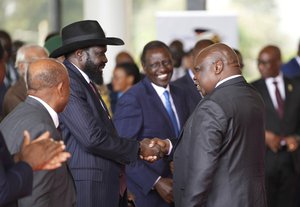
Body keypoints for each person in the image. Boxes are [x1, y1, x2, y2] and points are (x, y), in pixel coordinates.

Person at [49, 20, 163, 207]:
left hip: (104, 184)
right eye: (100, 53)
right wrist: (138, 148)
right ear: (79, 54)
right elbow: (92, 138)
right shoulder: (69, 83)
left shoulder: (84, 81)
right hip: (90, 188)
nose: (105, 59)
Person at [153, 43, 267, 206]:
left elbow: (201, 171)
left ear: (218, 66)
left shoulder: (212, 105)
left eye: (198, 69)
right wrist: (170, 145)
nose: (194, 76)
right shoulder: (253, 95)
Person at [113, 40, 190, 207]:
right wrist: (156, 182)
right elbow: (123, 151)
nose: (162, 69)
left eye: (166, 62)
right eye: (154, 64)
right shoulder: (132, 99)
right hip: (149, 196)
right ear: (144, 67)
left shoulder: (181, 94)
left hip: (184, 191)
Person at [0, 44, 71, 207]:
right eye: (70, 86)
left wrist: (19, 158)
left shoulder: (20, 112)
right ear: (61, 88)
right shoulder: (42, 128)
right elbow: (35, 197)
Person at [251, 45, 300, 207]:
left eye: (266, 63)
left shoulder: (296, 86)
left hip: (292, 163)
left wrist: (297, 137)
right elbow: (244, 122)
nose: (261, 67)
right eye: (259, 62)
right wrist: (263, 135)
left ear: (278, 62)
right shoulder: (251, 89)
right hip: (264, 162)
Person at [2, 44, 48, 117]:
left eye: (47, 62)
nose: (45, 66)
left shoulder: (49, 87)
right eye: (37, 62)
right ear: (22, 66)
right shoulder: (14, 96)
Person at [172, 39, 214, 115]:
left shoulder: (221, 85)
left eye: (213, 58)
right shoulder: (176, 87)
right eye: (203, 57)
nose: (208, 62)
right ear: (192, 58)